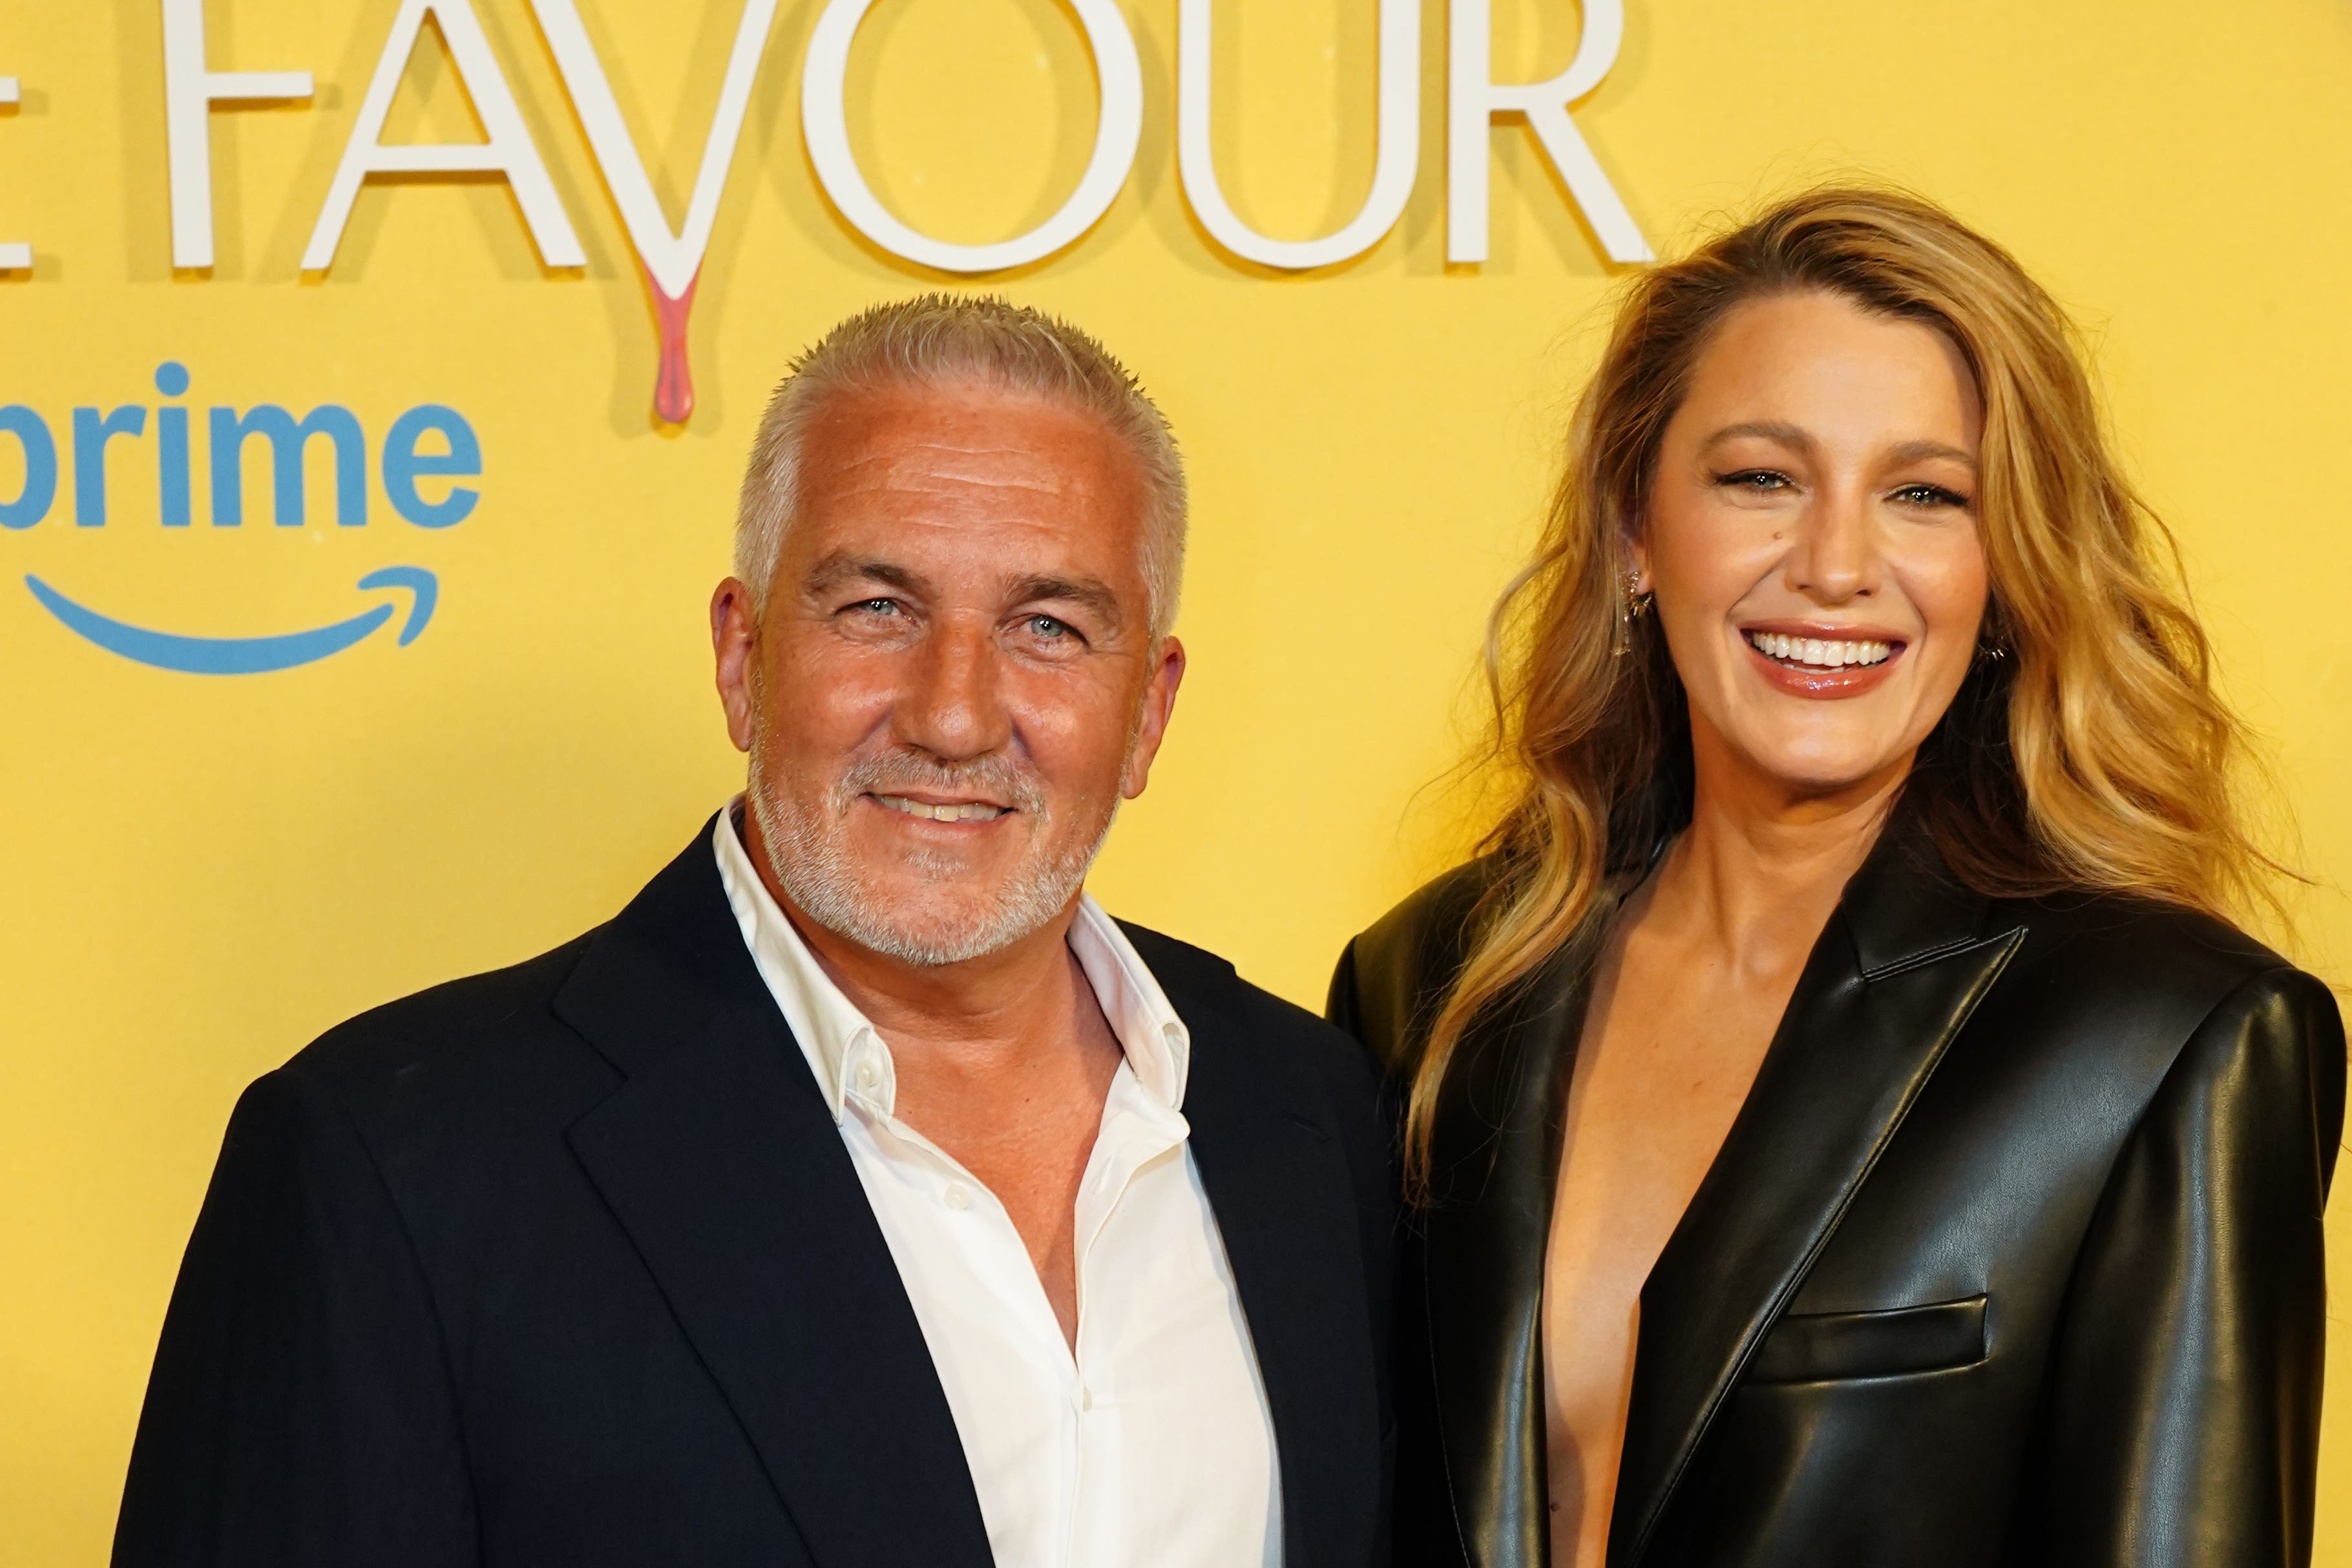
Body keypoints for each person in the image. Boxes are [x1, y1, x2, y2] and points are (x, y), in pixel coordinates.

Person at [115, 296, 1395, 1568]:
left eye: (1047, 627)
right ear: (743, 655)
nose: (953, 713)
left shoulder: (1312, 1113)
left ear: (1148, 711)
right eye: (877, 608)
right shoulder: (390, 1166)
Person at [1328, 187, 2344, 1568]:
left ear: (2004, 569)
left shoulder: (2166, 1038)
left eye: (1924, 495)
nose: (1833, 566)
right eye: (1761, 477)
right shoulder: (1426, 982)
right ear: (1635, 531)